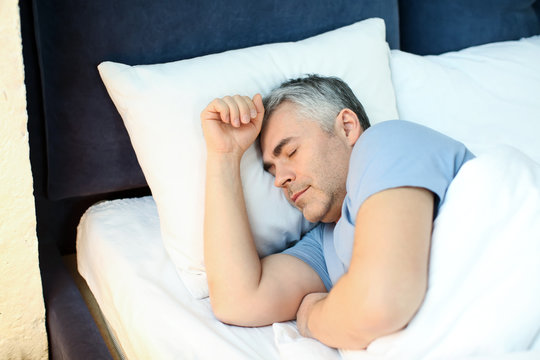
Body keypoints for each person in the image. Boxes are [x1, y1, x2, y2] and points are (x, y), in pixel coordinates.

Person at [200, 75, 474, 350]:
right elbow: (237, 301)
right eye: (271, 169)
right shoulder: (324, 242)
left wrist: (311, 316)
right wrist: (225, 155)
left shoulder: (386, 141)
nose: (279, 179)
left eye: (291, 152)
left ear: (346, 127)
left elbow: (381, 303)